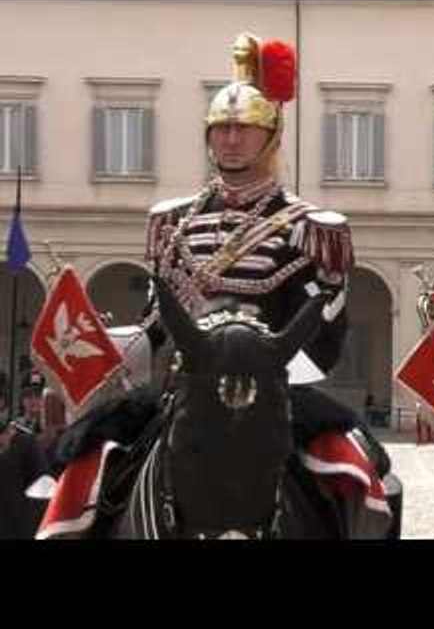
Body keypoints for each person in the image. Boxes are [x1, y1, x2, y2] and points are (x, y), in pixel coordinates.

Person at [55, 32, 390, 512]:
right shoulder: (173, 222)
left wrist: (259, 370)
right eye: (221, 129)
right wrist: (101, 346)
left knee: (367, 472)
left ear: (270, 136)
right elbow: (156, 326)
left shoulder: (308, 227)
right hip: (183, 388)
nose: (231, 140)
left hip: (274, 390)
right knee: (82, 461)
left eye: (243, 129)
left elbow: (324, 336)